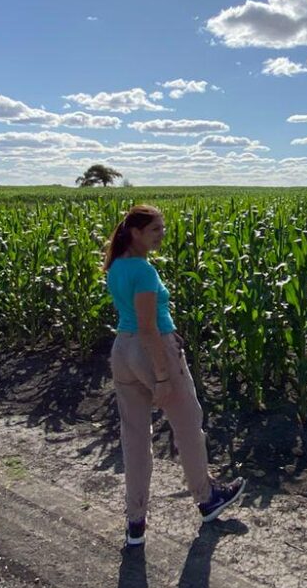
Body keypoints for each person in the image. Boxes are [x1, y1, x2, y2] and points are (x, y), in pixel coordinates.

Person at [104, 203, 244, 548]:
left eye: (162, 228)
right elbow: (149, 328)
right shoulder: (144, 272)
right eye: (155, 229)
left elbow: (135, 320)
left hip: (122, 350)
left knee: (135, 438)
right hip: (151, 351)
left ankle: (135, 522)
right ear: (135, 233)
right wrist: (164, 374)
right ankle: (207, 497)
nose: (162, 235)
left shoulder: (115, 267)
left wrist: (167, 334)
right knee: (188, 424)